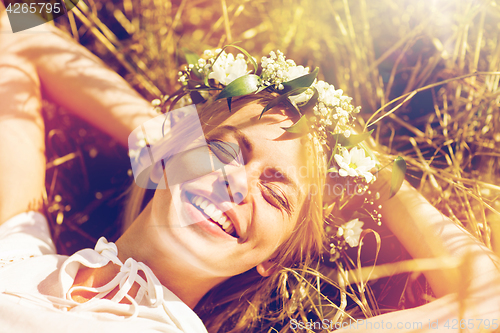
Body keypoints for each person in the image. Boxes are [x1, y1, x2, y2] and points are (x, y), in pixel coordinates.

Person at [1, 5, 499, 333]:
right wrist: (166, 140)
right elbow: (14, 28)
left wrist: (374, 172)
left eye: (277, 193)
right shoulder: (16, 245)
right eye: (224, 153)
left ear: (273, 259)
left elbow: (488, 300)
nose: (236, 182)